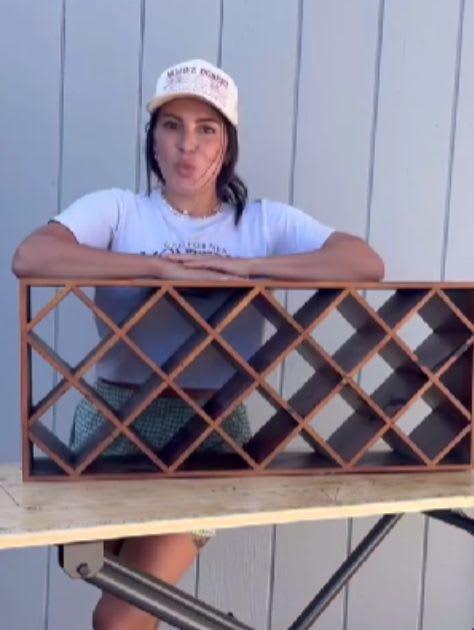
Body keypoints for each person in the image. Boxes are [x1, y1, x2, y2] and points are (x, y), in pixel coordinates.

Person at [11, 58, 385, 630]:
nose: (188, 145)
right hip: (108, 425)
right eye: (172, 126)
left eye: (206, 129)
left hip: (208, 432)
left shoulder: (259, 223)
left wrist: (252, 269)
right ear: (153, 142)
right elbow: (31, 256)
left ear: (226, 146)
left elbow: (365, 262)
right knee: (125, 595)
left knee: (120, 618)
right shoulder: (119, 210)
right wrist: (152, 269)